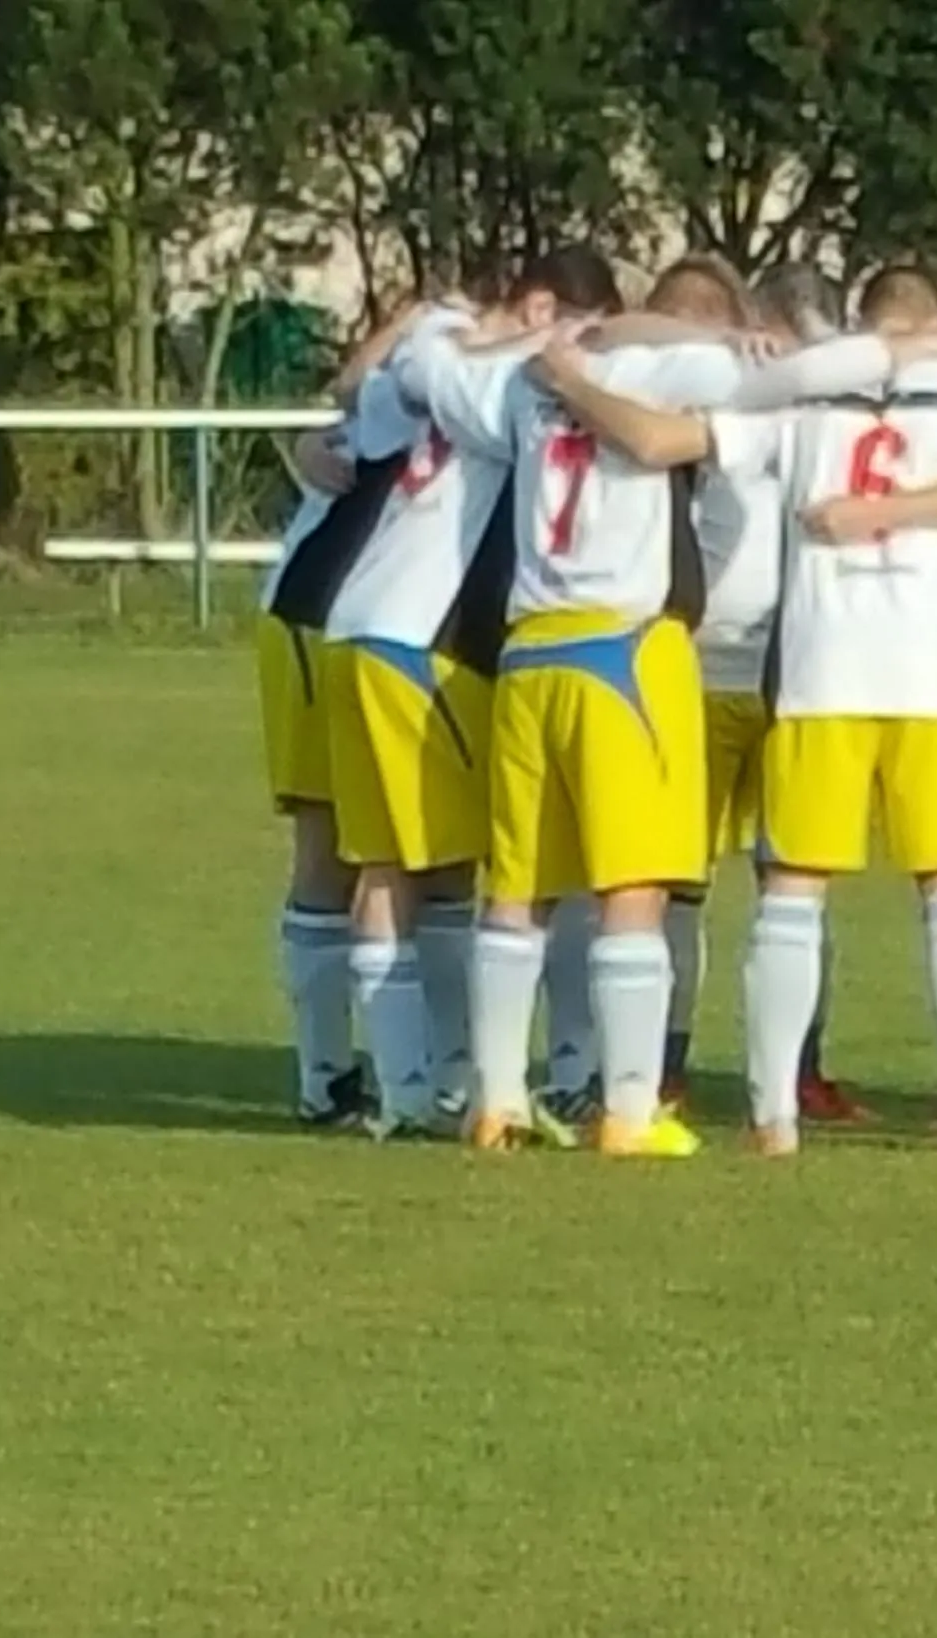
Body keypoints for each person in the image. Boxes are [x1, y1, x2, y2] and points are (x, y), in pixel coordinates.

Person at [546, 266, 937, 1154]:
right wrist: (906, 508)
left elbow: (667, 436)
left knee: (792, 892)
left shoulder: (801, 394)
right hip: (927, 677)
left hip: (818, 670)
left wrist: (572, 374)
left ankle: (774, 1115)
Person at [440, 258, 894, 1153]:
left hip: (530, 644)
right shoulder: (674, 368)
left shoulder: (525, 376)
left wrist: (530, 342)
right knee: (635, 889)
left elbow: (447, 372)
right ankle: (631, 1108)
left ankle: (495, 1101)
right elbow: (799, 374)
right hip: (624, 646)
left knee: (519, 891)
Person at [320, 247, 620, 1140]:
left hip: (356, 624)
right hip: (425, 637)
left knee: (393, 863)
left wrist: (462, 330)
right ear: (543, 312)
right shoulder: (508, 388)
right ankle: (442, 1085)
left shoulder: (436, 349)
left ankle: (415, 1087)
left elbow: (366, 392)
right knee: (471, 867)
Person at [657, 259, 869, 1124]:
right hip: (709, 663)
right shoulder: (724, 388)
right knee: (678, 879)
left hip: (798, 666)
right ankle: (664, 1065)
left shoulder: (846, 401)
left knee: (792, 877)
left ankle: (796, 1070)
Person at [256, 304, 421, 1125]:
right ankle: (327, 1080)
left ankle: (408, 1072)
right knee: (335, 846)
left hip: (389, 631)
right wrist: (414, 321)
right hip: (320, 614)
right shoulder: (430, 376)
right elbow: (354, 388)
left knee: (410, 851)